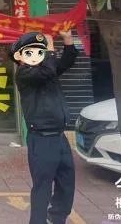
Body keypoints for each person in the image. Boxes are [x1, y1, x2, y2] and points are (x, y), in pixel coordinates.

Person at [11, 30, 78, 224]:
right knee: (43, 187)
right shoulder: (25, 74)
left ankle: (56, 217)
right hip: (41, 139)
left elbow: (65, 63)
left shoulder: (47, 71)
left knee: (67, 183)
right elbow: (48, 69)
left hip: (59, 138)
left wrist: (67, 39)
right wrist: (49, 49)